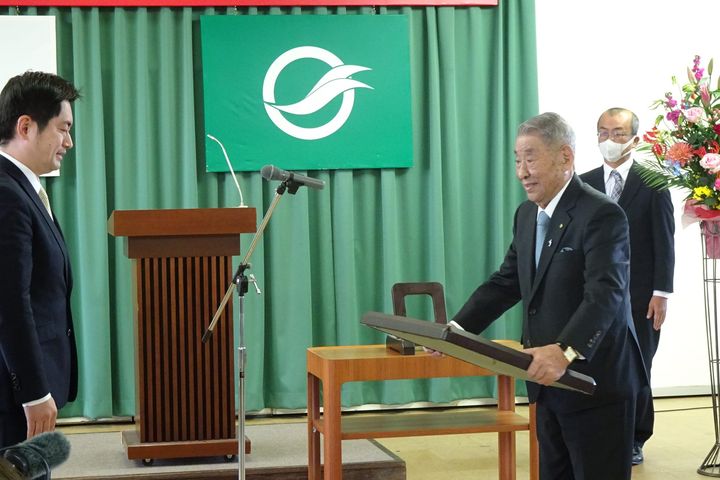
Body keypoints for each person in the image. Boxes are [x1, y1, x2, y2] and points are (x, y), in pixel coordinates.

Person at [452, 112, 646, 479]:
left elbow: (606, 294)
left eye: (531, 157)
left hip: (593, 383)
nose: (522, 171)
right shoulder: (527, 215)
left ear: (565, 157)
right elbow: (507, 282)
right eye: (517, 159)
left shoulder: (602, 214)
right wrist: (457, 328)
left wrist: (566, 350)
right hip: (546, 382)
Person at [580, 107, 675, 465]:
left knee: (638, 367)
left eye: (618, 133)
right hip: (595, 296)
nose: (609, 140)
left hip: (640, 297)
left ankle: (635, 437)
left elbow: (664, 242)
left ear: (634, 138)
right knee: (595, 364)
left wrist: (661, 294)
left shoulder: (654, 183)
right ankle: (598, 432)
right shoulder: (583, 182)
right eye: (603, 132)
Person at [0, 72, 80, 448]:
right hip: (13, 400)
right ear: (26, 126)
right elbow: (9, 302)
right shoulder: (6, 194)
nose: (69, 142)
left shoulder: (24, 188)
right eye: (63, 129)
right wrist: (33, 392)